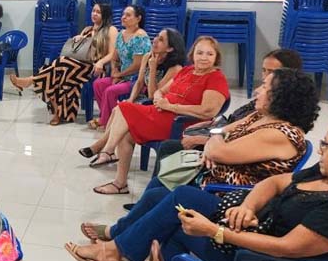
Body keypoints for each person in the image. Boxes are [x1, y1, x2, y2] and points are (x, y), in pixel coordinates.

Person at [66, 113, 328, 261]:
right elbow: (274, 183)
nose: (321, 149)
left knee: (177, 218)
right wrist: (249, 207)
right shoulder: (324, 174)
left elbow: (287, 247)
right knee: (166, 200)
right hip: (251, 226)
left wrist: (216, 232)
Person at [81, 68, 321, 244]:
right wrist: (215, 142)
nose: (258, 90)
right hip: (214, 176)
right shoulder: (262, 116)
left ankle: (119, 247)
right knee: (158, 190)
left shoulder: (281, 133)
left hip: (233, 197)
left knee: (174, 190)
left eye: (265, 86)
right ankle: (119, 233)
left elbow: (218, 143)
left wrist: (214, 147)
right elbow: (220, 127)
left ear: (281, 96)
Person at [122, 48, 304, 212]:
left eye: (271, 73)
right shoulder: (261, 112)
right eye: (264, 71)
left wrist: (210, 143)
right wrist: (214, 136)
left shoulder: (280, 128)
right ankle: (143, 210)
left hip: (228, 185)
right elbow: (227, 129)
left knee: (170, 151)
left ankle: (143, 211)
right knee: (165, 168)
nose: (263, 79)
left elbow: (226, 143)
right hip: (219, 156)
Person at [80, 36, 229, 195]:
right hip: (161, 113)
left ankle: (106, 151)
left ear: (216, 57)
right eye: (200, 53)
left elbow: (208, 111)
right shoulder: (187, 71)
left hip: (181, 123)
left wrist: (172, 106)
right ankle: (120, 183)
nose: (204, 58)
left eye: (209, 54)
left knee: (123, 108)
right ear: (193, 55)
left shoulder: (216, 78)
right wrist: (159, 97)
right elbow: (160, 90)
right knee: (126, 133)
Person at [9, 3, 118, 125]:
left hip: (94, 68)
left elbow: (112, 53)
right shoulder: (88, 29)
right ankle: (57, 112)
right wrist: (79, 38)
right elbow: (79, 50)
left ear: (105, 14)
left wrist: (101, 62)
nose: (94, 14)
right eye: (93, 11)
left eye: (98, 12)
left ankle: (31, 80)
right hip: (76, 65)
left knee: (61, 64)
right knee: (60, 75)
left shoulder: (111, 30)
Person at [89, 5, 151, 130]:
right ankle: (108, 118)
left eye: (128, 15)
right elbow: (115, 57)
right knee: (98, 84)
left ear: (138, 18)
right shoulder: (121, 34)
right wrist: (115, 71)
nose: (124, 17)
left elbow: (137, 66)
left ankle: (107, 122)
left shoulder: (140, 37)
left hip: (136, 79)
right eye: (123, 14)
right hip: (122, 75)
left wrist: (119, 75)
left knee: (110, 91)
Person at [124, 28, 187, 105]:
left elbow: (153, 96)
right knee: (119, 108)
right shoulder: (147, 56)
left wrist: (153, 69)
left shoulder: (175, 68)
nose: (155, 40)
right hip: (143, 99)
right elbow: (139, 82)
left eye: (161, 40)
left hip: (158, 104)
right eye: (157, 36)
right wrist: (130, 99)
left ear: (169, 48)